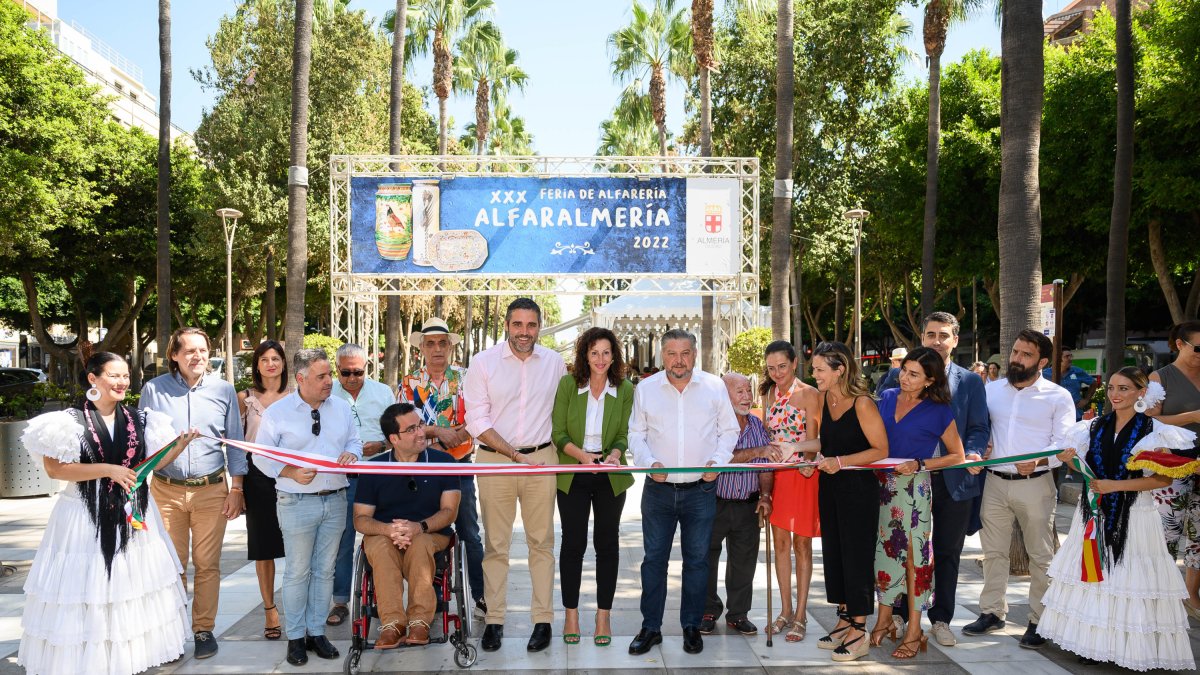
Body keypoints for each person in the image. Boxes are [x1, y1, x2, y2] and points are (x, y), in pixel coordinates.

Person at [19, 351, 198, 675]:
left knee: (130, 584)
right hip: (82, 517)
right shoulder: (68, 421)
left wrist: (180, 445)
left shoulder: (141, 419)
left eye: (125, 376)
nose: (122, 382)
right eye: (114, 375)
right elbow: (55, 469)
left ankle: (130, 656)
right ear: (93, 378)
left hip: (133, 512)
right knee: (88, 585)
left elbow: (150, 464)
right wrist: (108, 469)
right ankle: (87, 658)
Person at [1038, 367, 1196, 670]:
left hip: (1135, 514)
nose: (1115, 394)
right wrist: (1071, 462)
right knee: (1093, 573)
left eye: (1124, 388)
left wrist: (1116, 486)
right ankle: (1091, 644)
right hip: (1093, 511)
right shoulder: (1093, 426)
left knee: (1129, 577)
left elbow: (1162, 479)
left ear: (1141, 393)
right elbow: (1086, 470)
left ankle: (1130, 649)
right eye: (1111, 387)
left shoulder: (1154, 430)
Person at [627, 329, 738, 656]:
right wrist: (649, 463)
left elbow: (729, 431)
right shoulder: (646, 389)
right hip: (658, 492)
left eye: (685, 353)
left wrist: (718, 461)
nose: (679, 361)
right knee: (653, 561)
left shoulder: (714, 387)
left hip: (700, 491)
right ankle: (650, 627)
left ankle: (691, 626)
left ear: (695, 354)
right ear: (663, 356)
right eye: (672, 354)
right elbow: (636, 435)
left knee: (697, 562)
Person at [464, 298, 566, 653]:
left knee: (542, 543)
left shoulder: (555, 363)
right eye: (518, 324)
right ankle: (494, 620)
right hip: (496, 461)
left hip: (542, 459)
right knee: (496, 545)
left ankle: (543, 620)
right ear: (507, 325)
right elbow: (477, 421)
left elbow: (565, 412)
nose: (525, 332)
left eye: (531, 325)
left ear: (540, 326)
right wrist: (513, 454)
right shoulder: (483, 363)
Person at [962, 329, 1075, 648]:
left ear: (1042, 362)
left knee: (1041, 555)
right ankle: (992, 612)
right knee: (993, 552)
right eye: (1014, 352)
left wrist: (1038, 461)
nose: (1016, 358)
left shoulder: (1058, 396)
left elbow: (1065, 444)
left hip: (1035, 485)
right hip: (994, 482)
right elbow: (978, 429)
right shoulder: (991, 390)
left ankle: (1040, 621)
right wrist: (980, 447)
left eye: (1026, 354)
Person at [139, 327, 246, 659]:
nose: (198, 356)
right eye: (189, 351)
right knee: (171, 565)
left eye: (202, 350)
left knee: (207, 564)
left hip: (211, 491)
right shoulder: (153, 390)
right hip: (165, 491)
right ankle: (171, 633)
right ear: (174, 355)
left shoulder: (223, 390)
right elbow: (142, 441)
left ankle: (203, 630)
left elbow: (235, 441)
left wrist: (237, 488)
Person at [254, 348, 363, 667]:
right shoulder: (278, 413)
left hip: (336, 499)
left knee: (325, 570)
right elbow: (260, 456)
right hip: (296, 502)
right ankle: (295, 637)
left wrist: (352, 454)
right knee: (298, 571)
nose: (330, 381)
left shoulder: (341, 408)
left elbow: (354, 441)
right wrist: (289, 472)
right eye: (322, 376)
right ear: (301, 379)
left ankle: (316, 633)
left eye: (330, 374)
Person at [896, 312, 989, 648]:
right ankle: (900, 615)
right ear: (922, 338)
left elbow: (978, 427)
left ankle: (941, 619)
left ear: (955, 340)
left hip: (954, 478)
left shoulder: (971, 382)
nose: (937, 341)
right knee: (904, 548)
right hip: (909, 479)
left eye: (944, 335)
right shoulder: (902, 377)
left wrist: (973, 453)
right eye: (931, 334)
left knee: (948, 551)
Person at [868, 347, 966, 658]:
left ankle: (915, 630)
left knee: (914, 557)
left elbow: (957, 456)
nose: (905, 378)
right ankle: (883, 620)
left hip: (914, 488)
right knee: (885, 554)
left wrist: (920, 464)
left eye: (914, 374)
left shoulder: (939, 410)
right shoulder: (886, 397)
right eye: (904, 370)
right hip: (883, 486)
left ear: (930, 380)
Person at [550, 327, 634, 646]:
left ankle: (603, 617)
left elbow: (624, 434)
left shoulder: (625, 389)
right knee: (573, 544)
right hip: (574, 470)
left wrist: (615, 455)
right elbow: (558, 433)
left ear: (614, 356)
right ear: (585, 355)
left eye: (606, 353)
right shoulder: (568, 385)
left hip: (609, 473)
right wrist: (583, 457)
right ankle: (571, 615)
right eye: (594, 352)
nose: (600, 359)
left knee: (607, 545)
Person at [353, 402, 462, 648]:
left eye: (420, 425)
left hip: (430, 532)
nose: (421, 432)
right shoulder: (373, 468)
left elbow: (449, 512)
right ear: (394, 438)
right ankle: (392, 624)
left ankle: (419, 622)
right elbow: (360, 519)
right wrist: (388, 530)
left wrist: (419, 527)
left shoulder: (445, 463)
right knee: (380, 546)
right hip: (385, 533)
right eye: (411, 429)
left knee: (420, 542)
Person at [806, 341, 889, 663]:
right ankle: (844, 618)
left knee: (856, 557)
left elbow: (880, 449)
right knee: (835, 554)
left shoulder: (863, 403)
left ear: (840, 369)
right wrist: (797, 449)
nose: (814, 375)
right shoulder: (824, 398)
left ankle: (859, 628)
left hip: (858, 490)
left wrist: (840, 462)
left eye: (820, 370)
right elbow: (826, 442)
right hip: (830, 487)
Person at [398, 317, 485, 619]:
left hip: (459, 467)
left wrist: (456, 436)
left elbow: (479, 416)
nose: (437, 349)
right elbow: (403, 425)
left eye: (442, 343)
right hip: (421, 471)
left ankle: (481, 596)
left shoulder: (467, 378)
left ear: (450, 347)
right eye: (431, 344)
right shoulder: (409, 383)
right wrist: (438, 432)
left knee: (470, 532)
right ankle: (431, 598)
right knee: (427, 531)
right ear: (421, 348)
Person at [702, 373, 775, 636]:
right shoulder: (712, 424)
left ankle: (738, 613)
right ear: (724, 395)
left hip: (747, 504)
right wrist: (757, 452)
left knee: (744, 562)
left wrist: (765, 495)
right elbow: (716, 459)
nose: (747, 397)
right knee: (705, 558)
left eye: (748, 390)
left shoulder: (757, 425)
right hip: (714, 502)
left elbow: (766, 465)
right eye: (740, 391)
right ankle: (707, 610)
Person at [328, 344, 393, 628]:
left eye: (358, 372)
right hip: (344, 478)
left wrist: (382, 444)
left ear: (367, 368)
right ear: (337, 370)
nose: (352, 378)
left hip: (379, 476)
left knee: (380, 538)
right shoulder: (327, 392)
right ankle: (340, 600)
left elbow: (397, 432)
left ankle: (382, 596)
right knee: (342, 541)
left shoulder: (383, 392)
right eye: (346, 373)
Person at [760, 340, 820, 642]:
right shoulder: (767, 394)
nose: (777, 373)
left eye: (782, 366)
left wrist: (807, 462)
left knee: (802, 545)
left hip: (803, 474)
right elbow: (766, 436)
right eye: (771, 368)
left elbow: (815, 440)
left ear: (795, 363)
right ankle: (785, 610)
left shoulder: (810, 394)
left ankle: (801, 614)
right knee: (780, 544)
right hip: (777, 476)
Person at [237, 340, 291, 641]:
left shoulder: (297, 396)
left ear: (284, 363)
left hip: (292, 475)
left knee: (297, 545)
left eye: (276, 358)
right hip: (256, 477)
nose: (271, 364)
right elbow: (234, 444)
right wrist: (236, 487)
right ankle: (270, 609)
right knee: (263, 546)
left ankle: (298, 607)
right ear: (256, 365)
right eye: (264, 359)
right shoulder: (244, 398)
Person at [1147, 320, 1200, 621]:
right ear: (1180, 344)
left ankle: (1191, 596)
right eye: (1198, 348)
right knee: (1168, 531)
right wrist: (1191, 416)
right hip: (1172, 463)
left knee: (1199, 533)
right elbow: (1148, 420)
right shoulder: (1160, 377)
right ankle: (1161, 598)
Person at [1042, 348, 1096, 421]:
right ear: (1058, 359)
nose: (1070, 359)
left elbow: (1093, 383)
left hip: (1075, 415)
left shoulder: (1077, 371)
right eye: (1067, 356)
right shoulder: (1045, 374)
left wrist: (1086, 400)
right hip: (1054, 416)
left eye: (1071, 356)